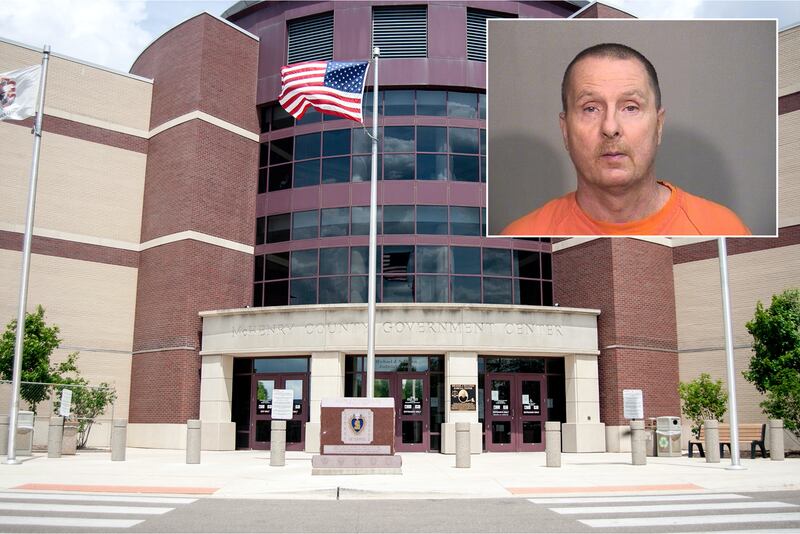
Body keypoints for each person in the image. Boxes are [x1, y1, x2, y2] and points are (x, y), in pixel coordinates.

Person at [501, 43, 750, 236]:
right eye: (590, 108)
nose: (610, 127)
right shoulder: (522, 232)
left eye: (630, 107)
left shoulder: (722, 226)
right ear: (565, 130)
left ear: (659, 125)